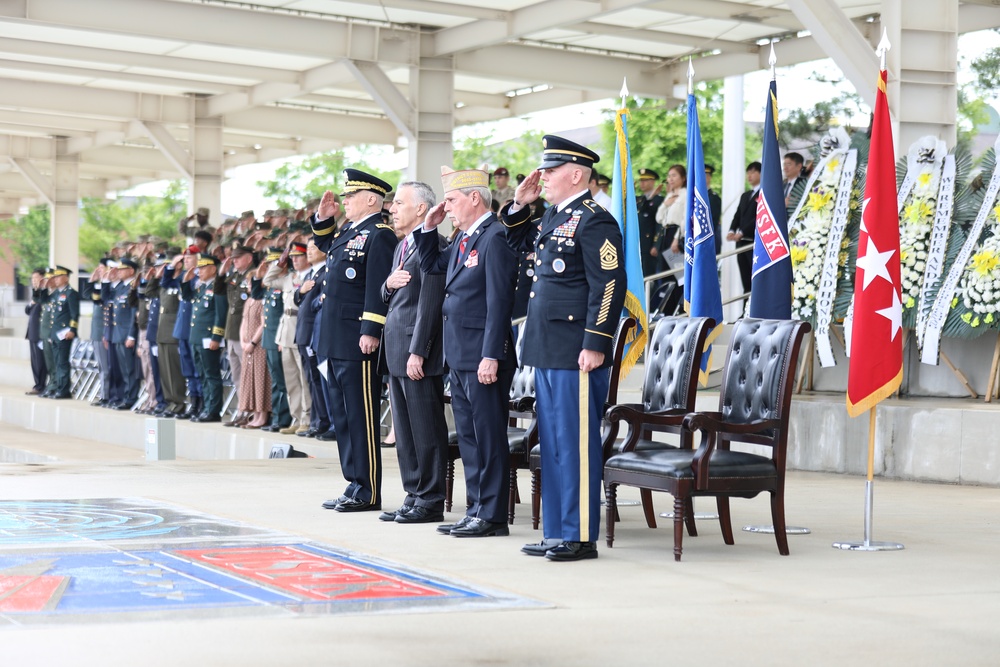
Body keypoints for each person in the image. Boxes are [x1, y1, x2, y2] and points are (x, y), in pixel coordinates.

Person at [499, 134, 626, 562]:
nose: (542, 177)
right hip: (548, 345)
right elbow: (514, 245)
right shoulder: (555, 215)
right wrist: (520, 205)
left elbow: (608, 284)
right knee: (552, 442)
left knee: (575, 443)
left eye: (550, 172)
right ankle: (556, 529)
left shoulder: (595, 219)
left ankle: (579, 533)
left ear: (576, 174)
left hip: (576, 349)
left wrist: (596, 342)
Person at [415, 167, 518, 538]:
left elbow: (499, 302)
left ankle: (492, 515)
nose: (448, 207)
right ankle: (475, 508)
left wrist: (492, 354)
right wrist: (429, 227)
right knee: (471, 437)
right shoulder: (462, 238)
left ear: (475, 198)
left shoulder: (496, 237)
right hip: (459, 354)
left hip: (483, 356)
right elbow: (431, 267)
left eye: (453, 200)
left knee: (488, 437)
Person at [313, 170, 398, 513]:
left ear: (371, 199)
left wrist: (370, 331)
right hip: (335, 336)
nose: (345, 200)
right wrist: (323, 219)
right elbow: (324, 245)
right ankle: (353, 482)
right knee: (343, 416)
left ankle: (368, 489)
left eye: (351, 195)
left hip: (357, 338)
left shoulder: (380, 235)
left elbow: (376, 289)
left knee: (361, 416)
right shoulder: (350, 230)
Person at [378, 181, 449, 525]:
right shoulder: (401, 245)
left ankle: (431, 498)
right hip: (395, 347)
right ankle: (413, 493)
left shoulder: (431, 243)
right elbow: (391, 290)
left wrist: (418, 350)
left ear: (421, 208)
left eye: (399, 203)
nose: (392, 209)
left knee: (425, 429)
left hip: (416, 350)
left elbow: (429, 303)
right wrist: (385, 285)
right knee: (404, 431)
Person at [268, 241, 312, 435]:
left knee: (304, 379)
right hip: (285, 332)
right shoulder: (289, 278)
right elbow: (268, 280)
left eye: (297, 256)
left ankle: (307, 418)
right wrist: (280, 261)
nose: (294, 260)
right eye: (292, 257)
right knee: (291, 379)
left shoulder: (311, 277)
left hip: (301, 330)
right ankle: (295, 417)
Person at [184, 253, 228, 423]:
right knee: (202, 374)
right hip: (196, 338)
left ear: (213, 269)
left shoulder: (217, 287)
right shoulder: (201, 287)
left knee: (212, 375)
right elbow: (188, 298)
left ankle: (213, 410)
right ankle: (206, 407)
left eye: (203, 268)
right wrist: (185, 283)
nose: (199, 271)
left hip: (209, 338)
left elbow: (220, 313)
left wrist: (216, 337)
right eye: (199, 268)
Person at [293, 241, 330, 439]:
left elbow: (319, 302)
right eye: (307, 249)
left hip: (313, 333)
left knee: (319, 380)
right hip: (303, 332)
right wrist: (301, 290)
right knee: (311, 380)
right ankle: (317, 420)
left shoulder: (325, 272)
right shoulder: (310, 274)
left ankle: (322, 421)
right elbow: (297, 299)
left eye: (313, 248)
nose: (309, 252)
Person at [258, 247, 291, 432]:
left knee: (282, 380)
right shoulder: (273, 285)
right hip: (269, 337)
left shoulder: (287, 281)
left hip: (279, 338)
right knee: (276, 381)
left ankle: (282, 418)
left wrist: (278, 266)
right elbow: (260, 284)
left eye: (275, 262)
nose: (272, 266)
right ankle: (277, 416)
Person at [237, 259, 272, 429]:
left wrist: (252, 341)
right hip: (247, 345)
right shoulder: (248, 301)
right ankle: (254, 414)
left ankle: (262, 415)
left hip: (258, 345)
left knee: (261, 379)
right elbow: (244, 322)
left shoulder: (261, 300)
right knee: (249, 379)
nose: (249, 286)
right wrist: (243, 340)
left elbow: (263, 323)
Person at [223, 244, 255, 425]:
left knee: (247, 374)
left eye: (238, 257)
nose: (233, 261)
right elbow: (221, 290)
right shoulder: (235, 276)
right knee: (236, 374)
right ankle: (242, 410)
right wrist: (224, 269)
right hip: (232, 330)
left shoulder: (253, 274)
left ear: (249, 258)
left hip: (246, 332)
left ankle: (249, 411)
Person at [156, 251, 187, 418]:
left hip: (173, 332)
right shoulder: (168, 283)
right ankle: (170, 401)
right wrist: (168, 268)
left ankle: (179, 402)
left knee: (174, 371)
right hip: (162, 332)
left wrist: (174, 266)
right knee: (165, 372)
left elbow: (171, 281)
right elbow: (161, 282)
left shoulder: (180, 280)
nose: (164, 269)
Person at [106, 258, 139, 409]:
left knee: (129, 369)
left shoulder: (134, 287)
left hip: (127, 334)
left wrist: (132, 335)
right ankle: (125, 396)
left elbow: (134, 314)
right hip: (118, 333)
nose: (118, 272)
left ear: (131, 271)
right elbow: (106, 298)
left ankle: (131, 398)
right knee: (123, 369)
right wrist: (106, 280)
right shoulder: (120, 288)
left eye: (122, 269)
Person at [655, 164, 688, 315]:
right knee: (665, 275)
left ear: (683, 178)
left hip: (676, 235)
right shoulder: (669, 196)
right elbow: (659, 218)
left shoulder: (685, 194)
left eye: (674, 175)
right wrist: (665, 205)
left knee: (678, 276)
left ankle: (680, 308)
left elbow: (684, 219)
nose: (671, 179)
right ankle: (667, 310)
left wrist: (676, 239)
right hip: (665, 234)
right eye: (669, 176)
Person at [727, 161, 762, 296]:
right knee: (745, 276)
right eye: (748, 172)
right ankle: (745, 308)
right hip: (740, 242)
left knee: (754, 276)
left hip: (753, 242)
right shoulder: (745, 195)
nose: (750, 175)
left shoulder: (764, 192)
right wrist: (732, 230)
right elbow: (738, 215)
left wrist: (742, 232)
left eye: (753, 172)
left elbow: (758, 217)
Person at [46, 265, 80, 399]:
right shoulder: (56, 293)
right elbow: (44, 302)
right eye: (55, 277)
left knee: (62, 362)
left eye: (59, 276)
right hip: (55, 333)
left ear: (66, 278)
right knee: (56, 362)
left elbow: (74, 314)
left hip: (65, 334)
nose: (56, 279)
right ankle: (58, 387)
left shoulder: (71, 293)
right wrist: (43, 287)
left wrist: (72, 329)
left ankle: (64, 389)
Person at [24, 267, 47, 396]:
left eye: (36, 278)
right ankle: (37, 384)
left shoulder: (45, 293)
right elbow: (28, 310)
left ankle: (41, 386)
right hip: (32, 332)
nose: (33, 281)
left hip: (40, 333)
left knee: (40, 361)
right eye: (32, 279)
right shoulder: (36, 293)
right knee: (34, 361)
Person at [635, 168, 663, 277]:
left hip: (649, 243)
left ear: (652, 181)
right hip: (639, 243)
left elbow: (659, 224)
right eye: (641, 180)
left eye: (645, 180)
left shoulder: (659, 200)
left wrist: (656, 244)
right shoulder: (639, 200)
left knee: (649, 275)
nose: (642, 183)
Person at [704, 164, 723, 255]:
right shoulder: (693, 196)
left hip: (708, 239)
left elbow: (713, 222)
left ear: (709, 178)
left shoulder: (713, 198)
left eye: (705, 175)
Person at [783, 151, 807, 216]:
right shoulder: (780, 185)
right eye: (784, 164)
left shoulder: (804, 184)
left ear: (799, 166)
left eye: (788, 164)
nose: (785, 168)